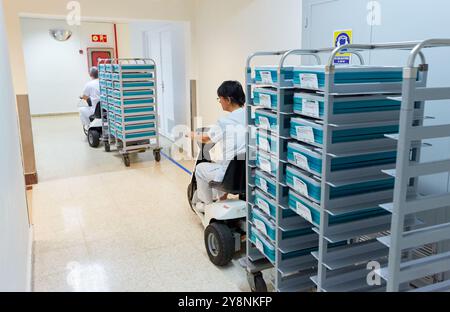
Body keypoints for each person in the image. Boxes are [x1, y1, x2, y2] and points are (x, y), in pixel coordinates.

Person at [192, 81, 246, 210]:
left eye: (220, 99)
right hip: (248, 173)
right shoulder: (252, 116)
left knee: (200, 169)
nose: (220, 102)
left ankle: (207, 205)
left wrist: (192, 134)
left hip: (230, 176)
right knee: (222, 163)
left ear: (227, 99)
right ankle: (222, 199)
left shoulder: (224, 121)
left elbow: (206, 138)